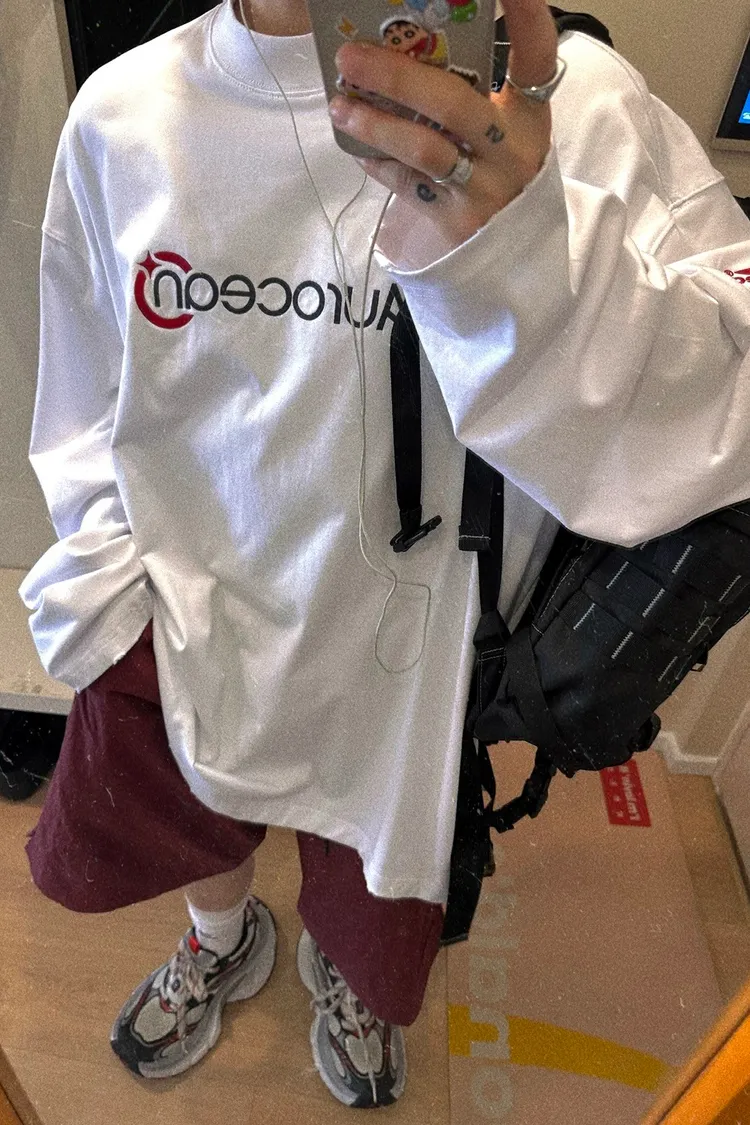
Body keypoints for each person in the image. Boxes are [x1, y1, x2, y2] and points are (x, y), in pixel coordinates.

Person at [19, 0, 750, 1108]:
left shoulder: (566, 104)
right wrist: (106, 596)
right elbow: (82, 390)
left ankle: (344, 981)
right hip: (189, 617)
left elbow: (728, 407)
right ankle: (221, 936)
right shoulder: (124, 115)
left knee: (369, 906)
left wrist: (530, 259)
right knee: (196, 824)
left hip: (413, 671)